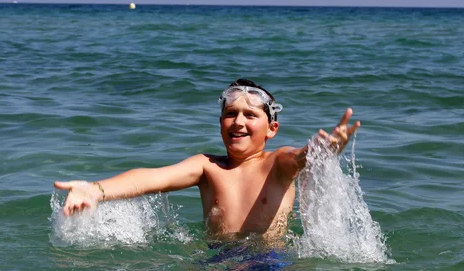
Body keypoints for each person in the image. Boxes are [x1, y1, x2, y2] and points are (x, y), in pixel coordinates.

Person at [54, 79, 360, 241]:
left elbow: (301, 157)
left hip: (269, 264)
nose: (238, 121)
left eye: (250, 115)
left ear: (271, 129)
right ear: (220, 123)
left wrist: (324, 150)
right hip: (215, 262)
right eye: (230, 114)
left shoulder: (277, 163)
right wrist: (96, 190)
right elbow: (152, 178)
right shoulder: (207, 167)